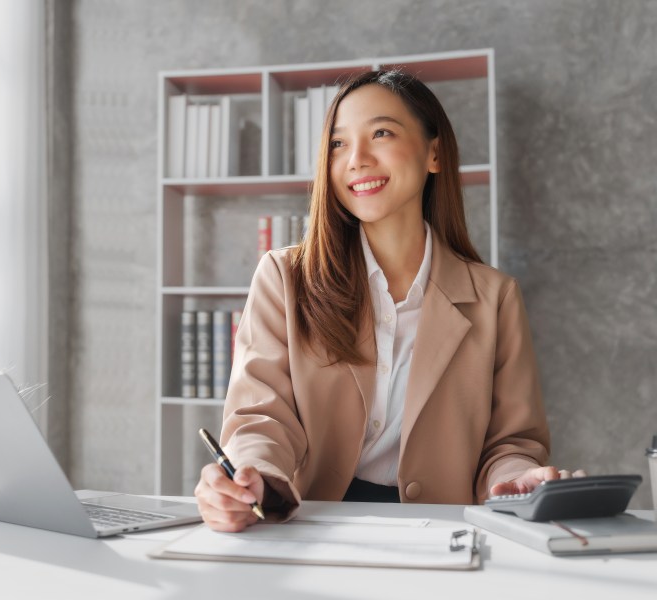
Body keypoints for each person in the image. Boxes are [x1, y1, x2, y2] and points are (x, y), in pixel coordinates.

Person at [194, 70, 584, 532]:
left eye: (380, 133)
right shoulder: (284, 278)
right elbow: (261, 416)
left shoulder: (494, 298)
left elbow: (511, 442)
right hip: (310, 522)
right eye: (338, 144)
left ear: (434, 153)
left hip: (445, 531)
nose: (356, 159)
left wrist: (520, 478)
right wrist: (253, 476)